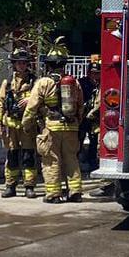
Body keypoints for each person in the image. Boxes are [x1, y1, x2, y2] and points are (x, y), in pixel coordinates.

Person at [27, 43, 84, 203]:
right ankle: (75, 192)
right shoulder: (74, 83)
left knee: (52, 160)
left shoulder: (43, 82)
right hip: (71, 127)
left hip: (51, 127)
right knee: (71, 159)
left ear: (49, 65)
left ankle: (54, 195)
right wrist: (77, 122)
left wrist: (26, 124)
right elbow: (80, 106)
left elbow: (32, 106)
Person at [0, 49, 39, 198]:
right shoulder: (7, 83)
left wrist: (30, 100)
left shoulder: (34, 82)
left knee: (28, 156)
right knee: (12, 155)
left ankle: (29, 186)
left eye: (24, 63)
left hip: (28, 126)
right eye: (19, 63)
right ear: (14, 64)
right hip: (11, 125)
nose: (22, 65)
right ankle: (10, 185)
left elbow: (41, 99)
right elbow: (0, 103)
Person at [79, 61, 101, 175]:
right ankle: (78, 162)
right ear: (88, 73)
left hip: (94, 119)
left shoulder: (101, 85)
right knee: (79, 140)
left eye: (97, 73)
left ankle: (93, 164)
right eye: (93, 73)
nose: (95, 76)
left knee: (94, 142)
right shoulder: (81, 83)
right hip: (82, 118)